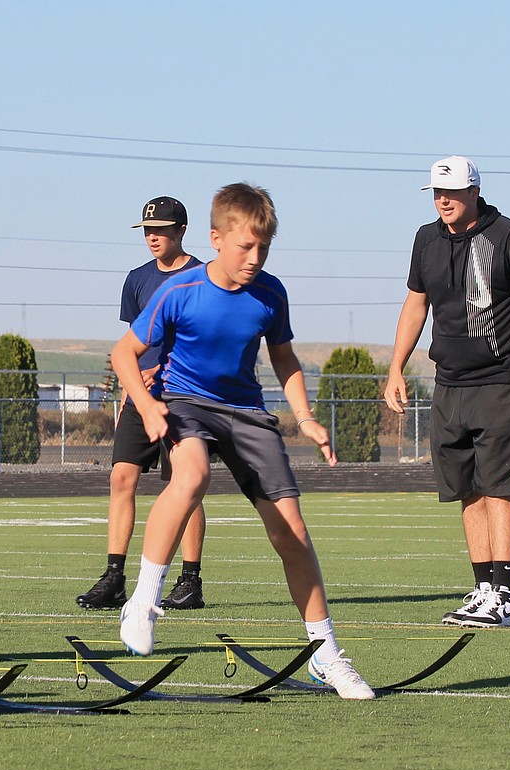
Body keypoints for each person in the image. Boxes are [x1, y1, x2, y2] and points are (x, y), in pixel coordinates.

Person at [110, 182, 375, 700]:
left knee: (292, 532)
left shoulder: (270, 293)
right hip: (185, 402)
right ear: (215, 239)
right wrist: (147, 407)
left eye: (264, 248)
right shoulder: (178, 290)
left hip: (247, 413)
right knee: (192, 476)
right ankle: (143, 601)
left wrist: (305, 417)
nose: (254, 258)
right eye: (244, 247)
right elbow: (125, 353)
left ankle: (325, 653)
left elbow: (283, 359)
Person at [384, 156, 510, 628]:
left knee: (498, 487)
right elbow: (415, 304)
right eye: (437, 193)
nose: (443, 200)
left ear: (474, 192)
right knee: (466, 489)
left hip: (504, 382)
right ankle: (483, 590)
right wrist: (396, 367)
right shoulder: (426, 239)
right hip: (450, 385)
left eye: (453, 192)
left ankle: (504, 596)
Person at [77, 197, 209, 612]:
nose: (153, 236)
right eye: (148, 230)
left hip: (186, 398)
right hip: (139, 398)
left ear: (182, 231)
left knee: (184, 487)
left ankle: (190, 581)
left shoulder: (204, 277)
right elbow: (131, 347)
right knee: (121, 479)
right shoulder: (136, 280)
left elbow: (206, 343)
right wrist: (125, 395)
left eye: (162, 229)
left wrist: (166, 370)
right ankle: (114, 577)